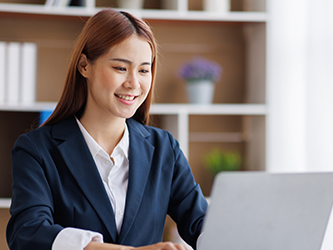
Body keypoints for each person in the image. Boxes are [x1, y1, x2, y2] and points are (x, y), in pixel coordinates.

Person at [6, 8, 208, 250]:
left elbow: (202, 226)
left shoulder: (165, 149)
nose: (134, 83)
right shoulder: (37, 149)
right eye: (120, 68)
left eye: (144, 70)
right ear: (84, 66)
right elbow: (27, 233)